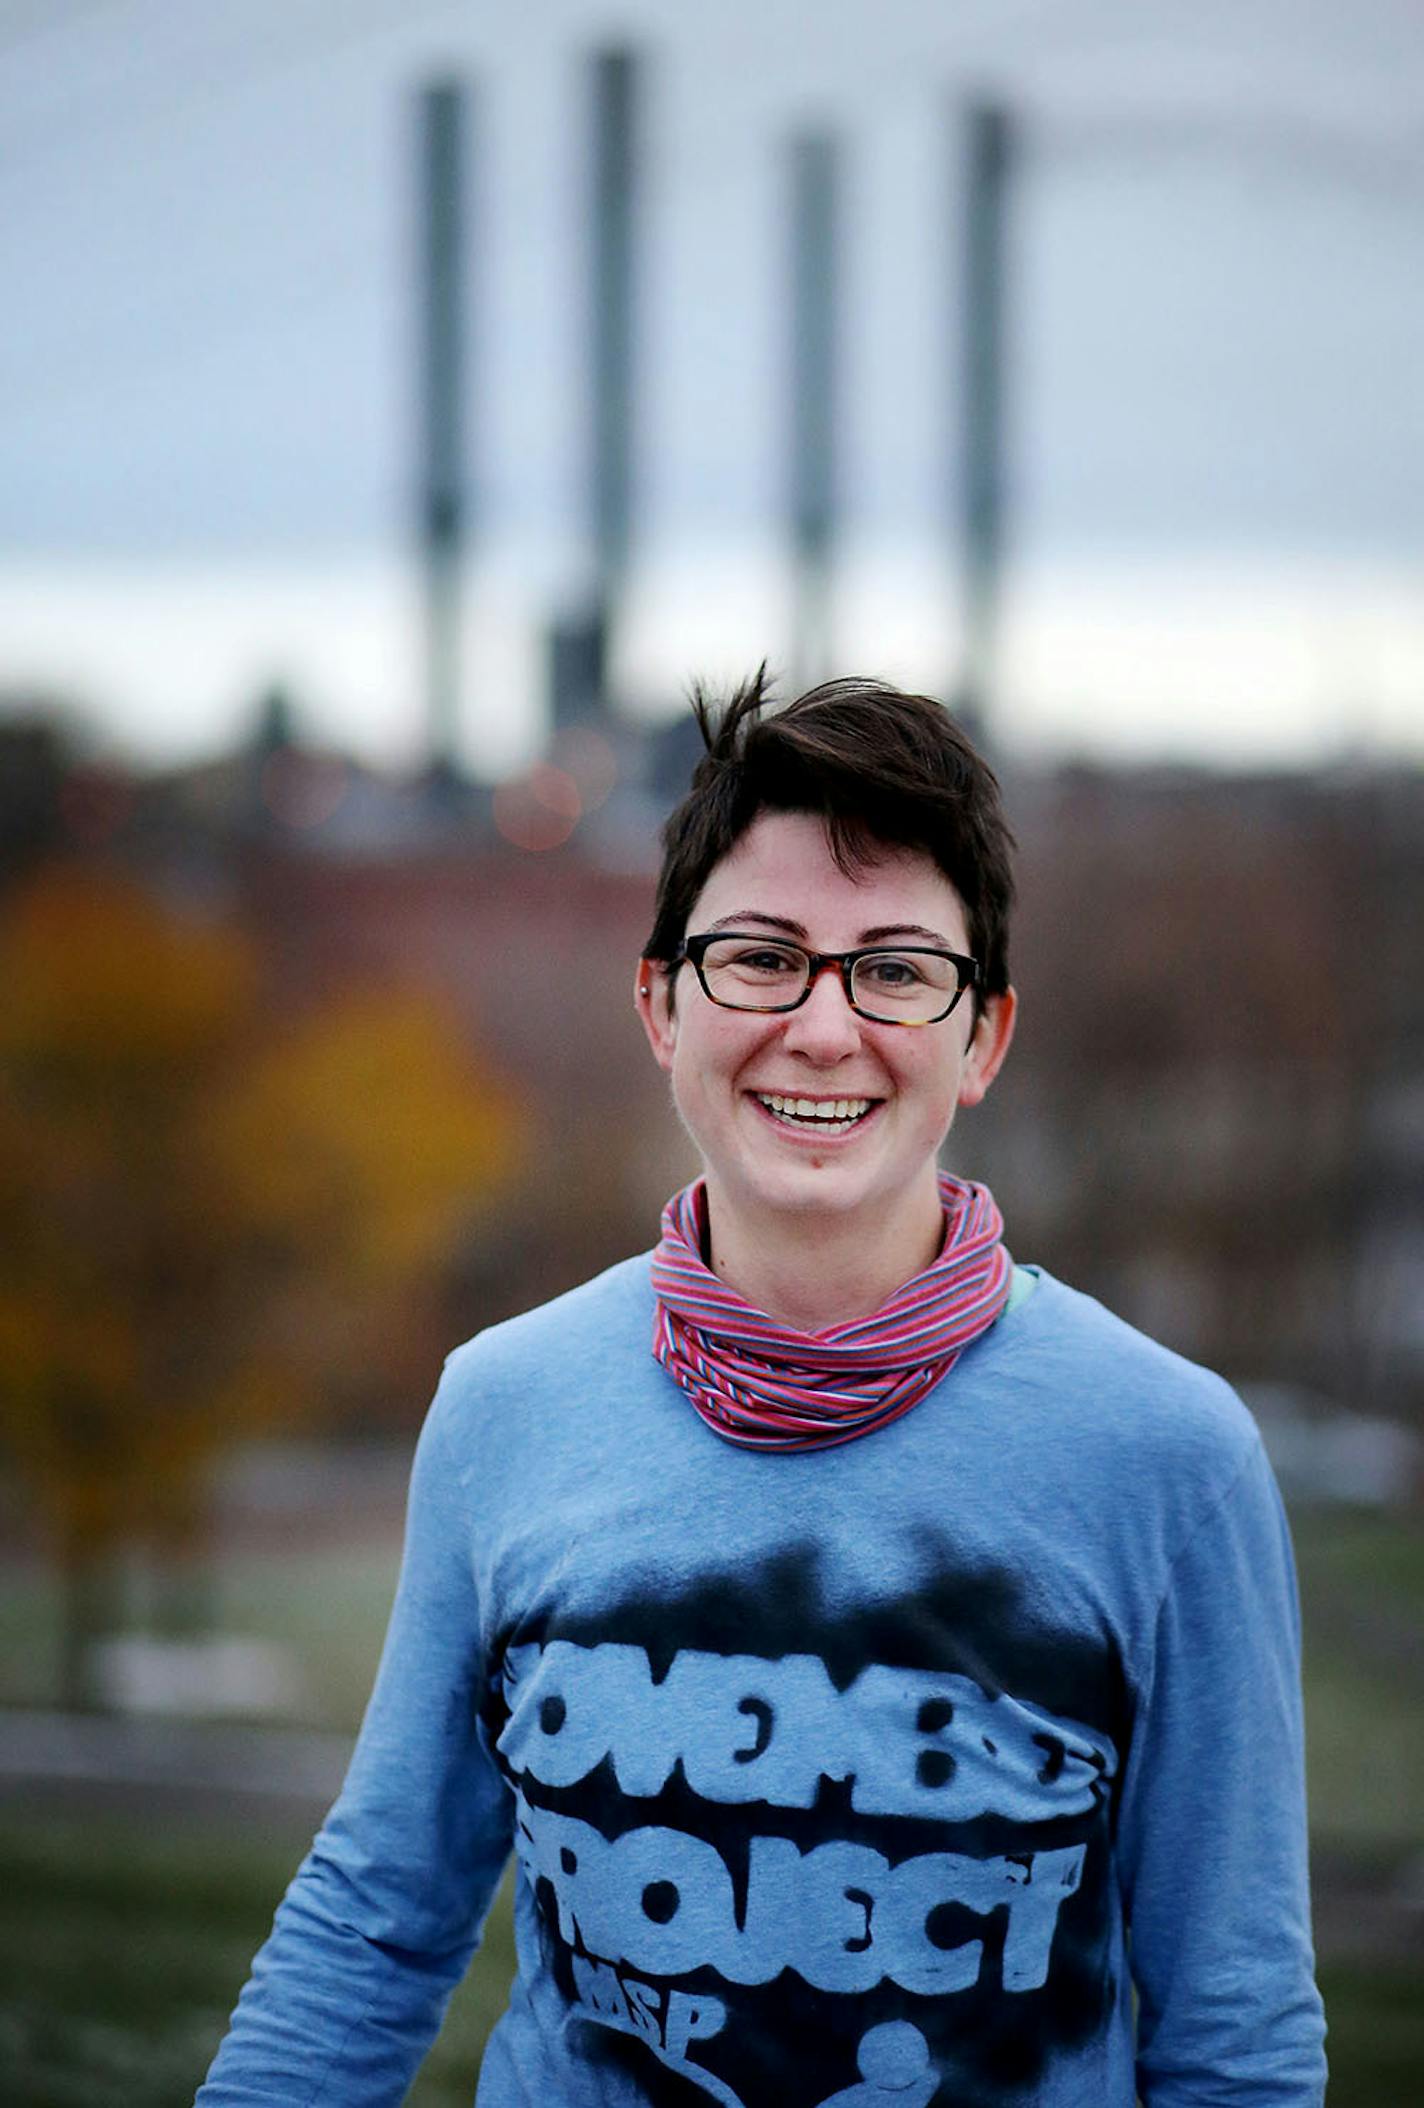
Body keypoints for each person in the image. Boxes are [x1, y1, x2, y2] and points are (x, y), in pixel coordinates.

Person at [197, 674, 1326, 2106]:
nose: (822, 1026)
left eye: (897, 970)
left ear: (983, 1037)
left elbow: (1233, 2030)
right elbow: (373, 1925)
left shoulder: (1167, 1457)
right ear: (663, 1004)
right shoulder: (506, 1406)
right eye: (762, 958)